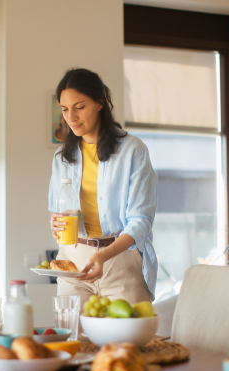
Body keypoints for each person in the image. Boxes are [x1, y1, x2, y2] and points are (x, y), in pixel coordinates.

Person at [48, 68, 158, 306]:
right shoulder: (61, 157)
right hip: (74, 261)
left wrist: (103, 255)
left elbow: (141, 221)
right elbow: (58, 210)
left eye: (79, 107)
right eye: (65, 109)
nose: (71, 117)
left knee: (125, 341)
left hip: (119, 260)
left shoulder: (133, 150)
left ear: (99, 103)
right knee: (73, 339)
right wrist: (55, 223)